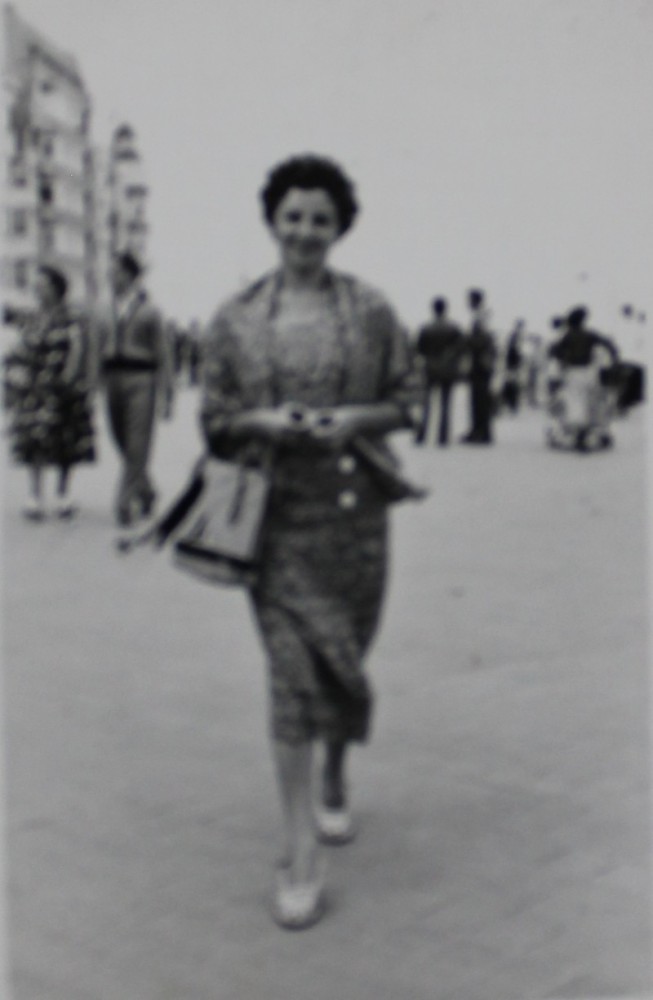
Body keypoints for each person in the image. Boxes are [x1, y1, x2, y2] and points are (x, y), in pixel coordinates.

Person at [200, 154, 422, 930]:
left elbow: (407, 398)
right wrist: (262, 422)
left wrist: (353, 419)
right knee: (292, 676)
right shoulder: (233, 318)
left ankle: (334, 771)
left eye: (320, 219)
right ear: (272, 219)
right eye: (292, 216)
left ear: (339, 228)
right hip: (275, 523)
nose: (304, 231)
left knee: (344, 660)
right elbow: (214, 421)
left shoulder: (371, 309)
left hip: (356, 519)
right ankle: (298, 848)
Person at [4, 264, 95, 519]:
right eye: (36, 285)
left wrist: (70, 379)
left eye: (42, 285)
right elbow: (20, 347)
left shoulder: (72, 317)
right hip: (34, 388)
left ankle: (63, 494)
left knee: (66, 441)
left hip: (63, 386)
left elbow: (78, 350)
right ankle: (35, 496)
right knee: (33, 441)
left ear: (56, 288)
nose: (37, 290)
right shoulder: (32, 317)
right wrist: (15, 374)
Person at [97, 251, 174, 526]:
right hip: (112, 379)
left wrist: (168, 394)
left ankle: (124, 501)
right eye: (110, 272)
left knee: (138, 441)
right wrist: (94, 383)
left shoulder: (150, 311)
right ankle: (147, 491)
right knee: (120, 438)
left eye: (117, 272)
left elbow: (164, 354)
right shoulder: (104, 310)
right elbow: (97, 348)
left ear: (131, 276)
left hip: (142, 378)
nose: (112, 277)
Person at [545, 306, 619, 452]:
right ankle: (595, 433)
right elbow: (609, 345)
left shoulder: (567, 336)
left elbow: (553, 352)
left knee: (574, 403)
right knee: (590, 402)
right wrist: (614, 360)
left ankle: (578, 433)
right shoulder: (590, 334)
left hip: (572, 372)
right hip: (589, 372)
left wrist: (563, 359)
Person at [415, 297, 465, 445]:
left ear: (433, 309)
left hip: (430, 368)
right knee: (446, 404)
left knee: (426, 404)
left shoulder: (426, 328)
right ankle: (443, 436)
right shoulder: (454, 328)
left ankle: (421, 435)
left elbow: (419, 349)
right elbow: (460, 349)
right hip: (448, 370)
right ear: (445, 309)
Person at [461, 288, 497, 444]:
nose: (467, 303)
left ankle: (480, 431)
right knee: (479, 398)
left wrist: (467, 341)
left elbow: (482, 341)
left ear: (475, 300)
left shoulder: (480, 317)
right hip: (482, 363)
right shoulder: (483, 316)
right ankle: (479, 430)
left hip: (480, 363)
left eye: (469, 299)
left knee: (479, 398)